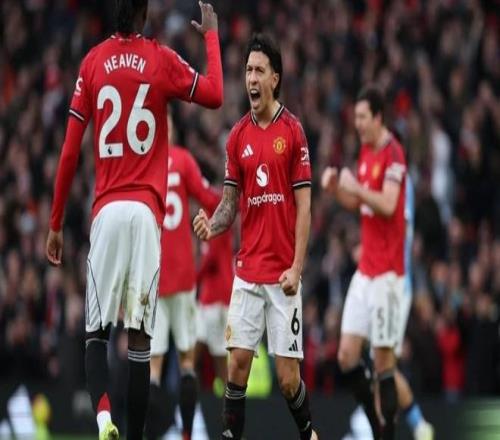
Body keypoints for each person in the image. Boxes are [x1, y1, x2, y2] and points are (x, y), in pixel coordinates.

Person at [45, 0, 223, 438]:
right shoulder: (160, 58)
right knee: (142, 342)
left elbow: (68, 153)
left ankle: (105, 418)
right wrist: (211, 37)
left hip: (107, 211)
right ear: (144, 15)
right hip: (146, 216)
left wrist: (56, 223)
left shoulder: (92, 63)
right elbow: (215, 94)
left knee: (96, 333)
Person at [193, 33, 318, 440]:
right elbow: (230, 204)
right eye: (248, 70)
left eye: (259, 70)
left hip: (282, 275)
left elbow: (304, 207)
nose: (251, 78)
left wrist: (297, 267)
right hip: (247, 273)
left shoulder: (293, 132)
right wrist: (212, 225)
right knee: (236, 367)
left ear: (275, 79)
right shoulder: (237, 137)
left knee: (287, 379)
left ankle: (309, 434)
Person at [321, 86, 432, 440]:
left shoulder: (394, 154)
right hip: (366, 272)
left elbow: (386, 203)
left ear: (378, 117)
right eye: (355, 117)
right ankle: (374, 421)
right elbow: (360, 204)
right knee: (346, 356)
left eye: (362, 117)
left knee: (385, 366)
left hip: (388, 277)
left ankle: (390, 432)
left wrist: (354, 186)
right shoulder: (366, 151)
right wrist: (337, 189)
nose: (357, 124)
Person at [147, 116, 219, 440]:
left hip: (154, 276)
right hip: (184, 276)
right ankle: (188, 434)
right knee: (188, 361)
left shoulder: (144, 165)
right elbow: (210, 199)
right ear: (171, 130)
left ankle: (149, 434)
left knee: (154, 366)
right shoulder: (183, 160)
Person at [195, 222, 234, 387]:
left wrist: (193, 278)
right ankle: (189, 396)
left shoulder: (217, 226)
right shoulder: (213, 225)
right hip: (212, 299)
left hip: (215, 300)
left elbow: (211, 258)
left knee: (217, 356)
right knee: (194, 349)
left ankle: (229, 399)